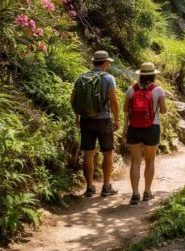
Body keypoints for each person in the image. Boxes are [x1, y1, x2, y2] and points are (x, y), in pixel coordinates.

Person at [71, 50, 119, 197]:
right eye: (108, 62)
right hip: (103, 119)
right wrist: (117, 119)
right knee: (108, 153)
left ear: (93, 62)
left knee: (88, 154)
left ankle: (90, 187)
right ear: (105, 62)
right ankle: (106, 186)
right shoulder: (108, 78)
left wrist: (78, 116)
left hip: (86, 119)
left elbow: (73, 99)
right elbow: (113, 101)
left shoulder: (82, 77)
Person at [123, 62, 167, 205]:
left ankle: (135, 194)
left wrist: (125, 129)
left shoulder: (131, 90)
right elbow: (164, 110)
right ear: (153, 75)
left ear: (140, 75)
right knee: (150, 161)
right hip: (152, 127)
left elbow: (126, 110)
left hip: (134, 127)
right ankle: (147, 192)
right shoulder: (158, 90)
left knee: (135, 161)